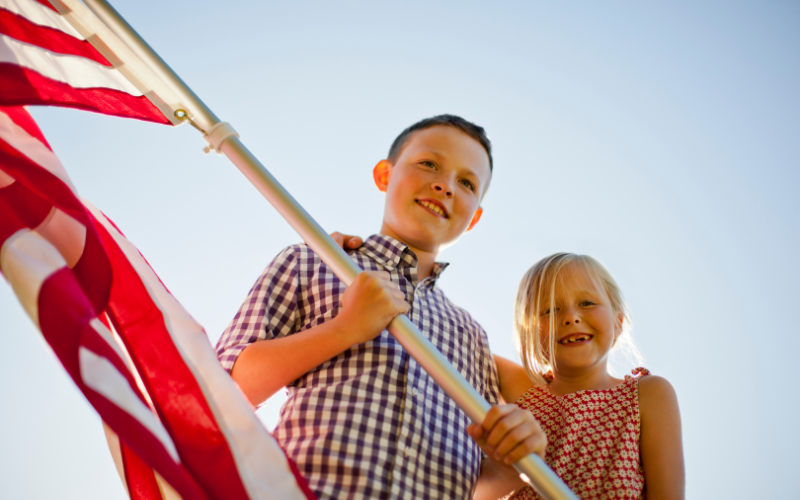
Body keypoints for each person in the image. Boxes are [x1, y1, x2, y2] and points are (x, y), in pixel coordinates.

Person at [215, 115, 545, 500]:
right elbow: (222, 387)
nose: (445, 185)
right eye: (429, 164)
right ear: (385, 175)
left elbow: (472, 484)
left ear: (474, 218)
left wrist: (507, 468)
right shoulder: (316, 262)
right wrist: (345, 329)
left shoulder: (470, 335)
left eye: (467, 183)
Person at [473, 253, 685, 500]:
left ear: (618, 322)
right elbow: (459, 346)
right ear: (528, 332)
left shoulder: (647, 394)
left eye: (586, 303)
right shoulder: (525, 394)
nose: (570, 317)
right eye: (550, 310)